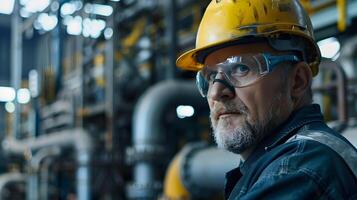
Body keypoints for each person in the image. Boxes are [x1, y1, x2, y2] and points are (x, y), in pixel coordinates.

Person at [176, 0, 357, 199]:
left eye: (241, 68)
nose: (216, 92)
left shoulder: (297, 172)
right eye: (210, 77)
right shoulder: (279, 164)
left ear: (297, 81)